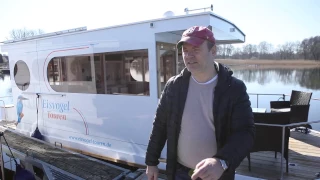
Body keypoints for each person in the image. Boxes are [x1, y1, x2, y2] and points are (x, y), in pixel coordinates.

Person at [145, 26, 255, 180]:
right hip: (179, 172)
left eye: (196, 49)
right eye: (185, 50)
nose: (189, 56)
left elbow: (245, 133)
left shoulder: (233, 89)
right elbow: (160, 125)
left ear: (213, 50)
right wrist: (151, 161)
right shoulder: (174, 86)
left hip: (216, 175)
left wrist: (221, 161)